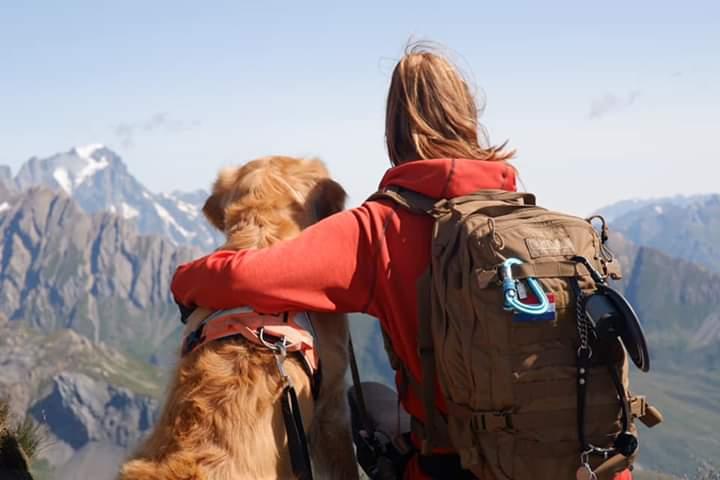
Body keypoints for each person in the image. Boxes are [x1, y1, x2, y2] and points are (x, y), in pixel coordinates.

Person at [171, 44, 632, 480]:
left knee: (363, 401)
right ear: (470, 119)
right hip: (590, 464)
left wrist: (183, 279)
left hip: (457, 469)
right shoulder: (529, 216)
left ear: (393, 130)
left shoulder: (378, 228)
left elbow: (244, 276)